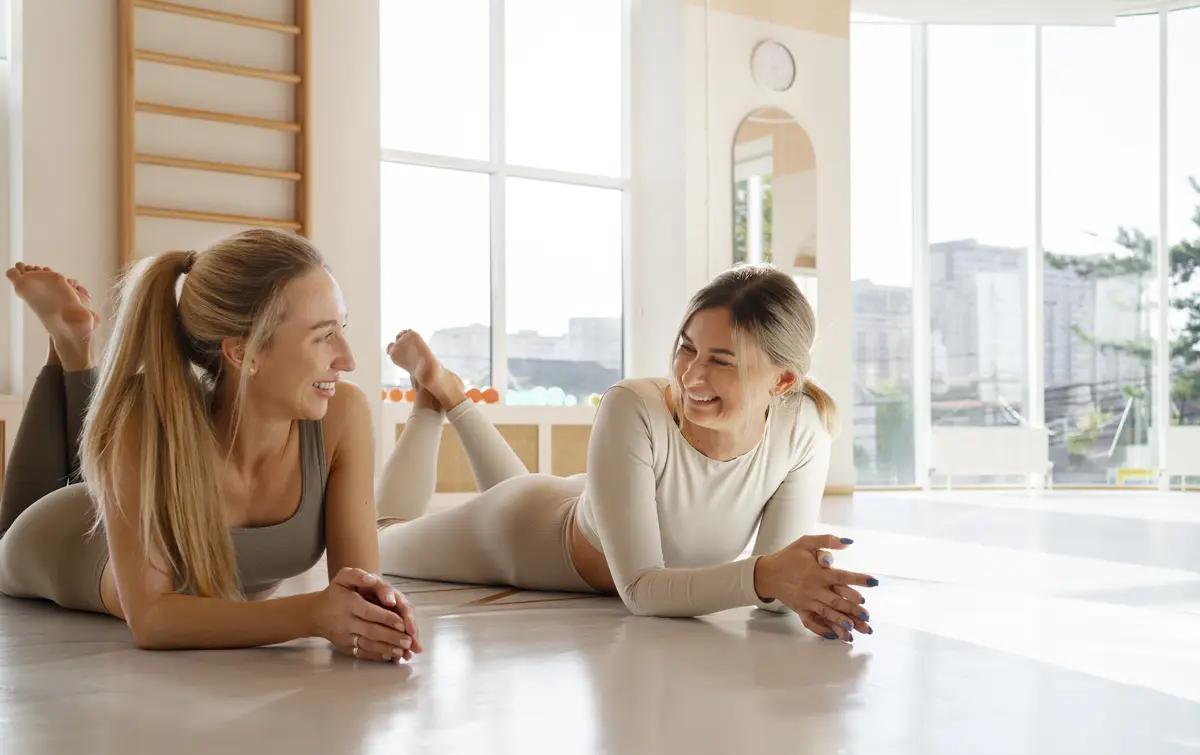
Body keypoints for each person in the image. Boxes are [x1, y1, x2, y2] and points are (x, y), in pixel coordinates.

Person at [377, 264, 878, 642]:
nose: (691, 376)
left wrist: (806, 586)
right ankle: (432, 401)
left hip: (586, 503)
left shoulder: (804, 424)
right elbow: (640, 588)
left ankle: (451, 394)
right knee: (378, 541)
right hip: (520, 532)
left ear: (783, 381)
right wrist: (768, 575)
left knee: (519, 484)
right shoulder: (633, 405)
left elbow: (773, 591)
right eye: (687, 348)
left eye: (721, 361)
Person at [0, 230, 420, 663]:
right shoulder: (146, 414)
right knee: (5, 533)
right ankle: (72, 348)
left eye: (341, 328)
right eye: (323, 336)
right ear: (242, 353)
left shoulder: (343, 415)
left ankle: (72, 347)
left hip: (110, 501)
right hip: (59, 537)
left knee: (101, 455)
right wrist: (313, 614)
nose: (348, 359)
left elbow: (358, 589)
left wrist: (378, 616)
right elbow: (151, 619)